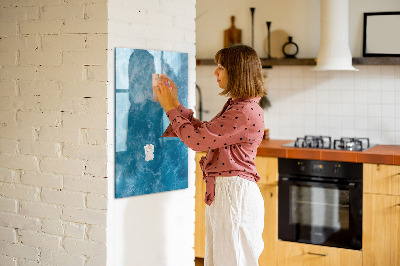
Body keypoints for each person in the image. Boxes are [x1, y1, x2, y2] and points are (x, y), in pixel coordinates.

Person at [153, 44, 266, 266]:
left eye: (221, 67)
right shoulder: (239, 106)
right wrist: (175, 103)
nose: (215, 72)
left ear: (237, 71)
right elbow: (205, 133)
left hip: (234, 195)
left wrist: (169, 108)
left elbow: (197, 141)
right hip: (228, 193)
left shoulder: (243, 111)